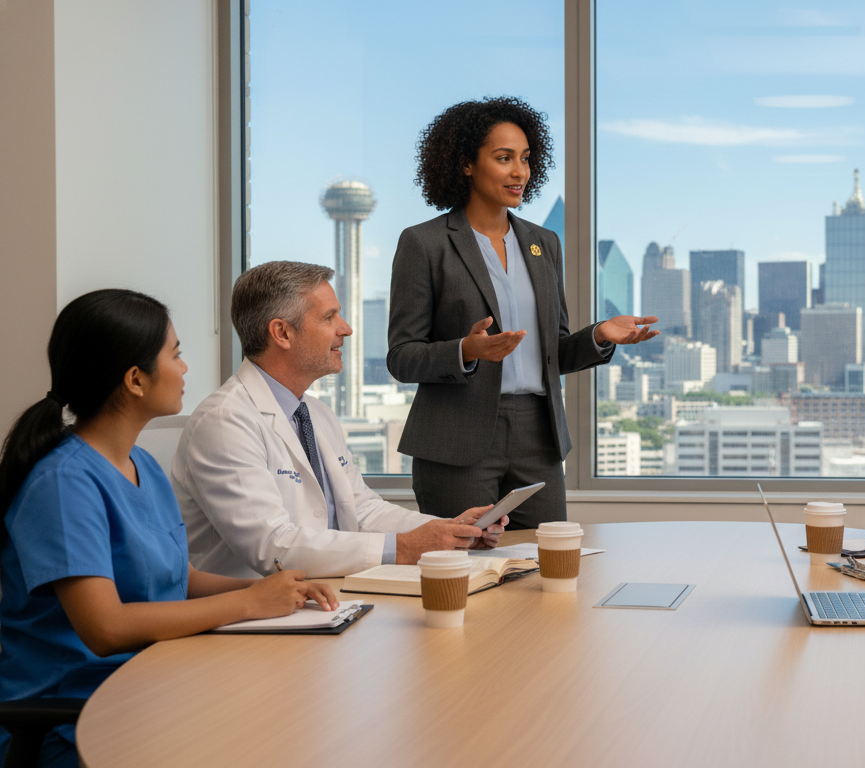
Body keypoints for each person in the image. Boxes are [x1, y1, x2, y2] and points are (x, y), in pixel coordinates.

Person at [0, 289, 337, 768]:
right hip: (72, 713)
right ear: (135, 380)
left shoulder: (141, 464)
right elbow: (105, 628)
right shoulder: (63, 482)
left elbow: (181, 578)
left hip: (154, 682)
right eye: (175, 354)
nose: (184, 369)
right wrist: (246, 603)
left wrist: (277, 592)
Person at [387, 96, 657, 528]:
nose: (520, 172)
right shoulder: (425, 243)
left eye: (526, 159)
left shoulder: (543, 242)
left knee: (547, 568)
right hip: (458, 437)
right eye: (503, 158)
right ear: (466, 164)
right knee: (467, 575)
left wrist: (601, 335)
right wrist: (466, 350)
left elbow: (554, 352)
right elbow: (402, 356)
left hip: (539, 435)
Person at [174, 261, 504, 579]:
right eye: (330, 317)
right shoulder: (225, 422)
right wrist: (405, 547)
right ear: (282, 333)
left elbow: (361, 509)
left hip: (325, 598)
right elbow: (272, 546)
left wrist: (447, 531)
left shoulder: (315, 413)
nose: (345, 329)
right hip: (250, 618)